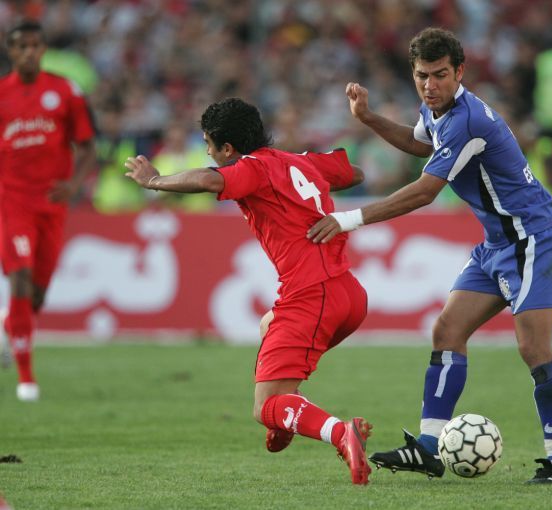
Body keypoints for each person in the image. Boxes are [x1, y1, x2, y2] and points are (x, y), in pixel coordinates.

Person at [308, 27, 552, 485]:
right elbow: (422, 144)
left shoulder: (468, 120)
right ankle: (429, 447)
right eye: (421, 76)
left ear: (460, 72)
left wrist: (350, 218)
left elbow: (425, 192)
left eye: (439, 75)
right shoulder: (437, 111)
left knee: (534, 348)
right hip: (497, 242)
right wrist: (369, 118)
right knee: (447, 330)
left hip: (533, 238)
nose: (429, 85)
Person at [124, 97, 373, 485]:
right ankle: (287, 419)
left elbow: (208, 180)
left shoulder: (252, 168)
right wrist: (308, 180)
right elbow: (354, 174)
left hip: (311, 297)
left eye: (208, 145)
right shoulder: (297, 161)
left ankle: (340, 433)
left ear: (227, 148)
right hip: (349, 294)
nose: (208, 153)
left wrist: (154, 181)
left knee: (265, 405)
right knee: (268, 326)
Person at [0, 20, 97, 401]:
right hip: (13, 201)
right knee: (20, 278)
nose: (29, 52)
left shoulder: (65, 91)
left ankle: (10, 326)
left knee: (37, 295)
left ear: (43, 50)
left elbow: (86, 145)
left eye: (35, 46)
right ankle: (26, 378)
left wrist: (74, 184)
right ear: (11, 51)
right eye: (21, 46)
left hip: (52, 204)